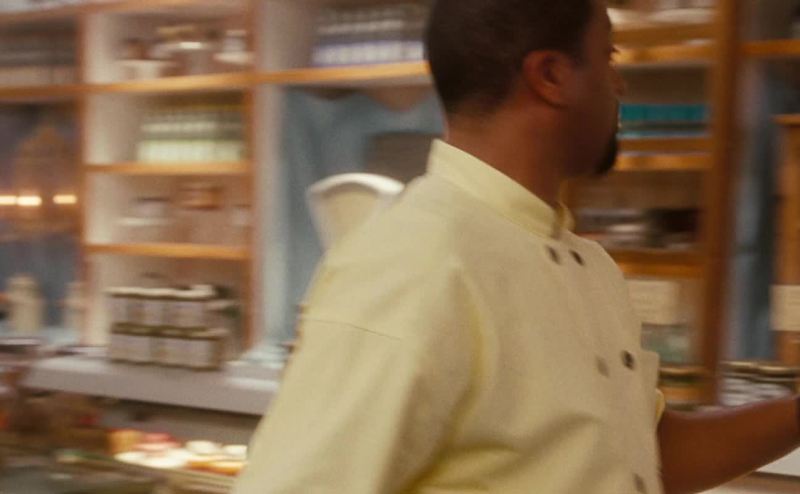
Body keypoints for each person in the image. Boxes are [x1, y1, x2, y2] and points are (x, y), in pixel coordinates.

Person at [234, 1, 800, 492]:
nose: (619, 84)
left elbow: (644, 455)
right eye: (608, 57)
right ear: (551, 75)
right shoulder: (414, 265)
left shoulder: (589, 267)